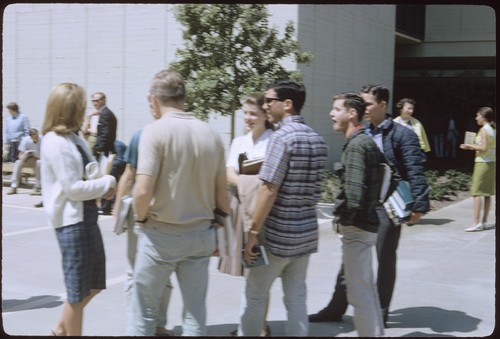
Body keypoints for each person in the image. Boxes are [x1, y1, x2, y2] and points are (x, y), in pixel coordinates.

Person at [309, 83, 430, 326]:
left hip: (387, 204)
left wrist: (420, 204)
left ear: (383, 105)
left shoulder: (402, 134)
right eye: (362, 103)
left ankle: (380, 312)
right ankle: (336, 308)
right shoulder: (361, 132)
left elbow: (415, 169)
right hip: (363, 203)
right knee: (351, 258)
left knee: (384, 257)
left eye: (370, 104)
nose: (365, 108)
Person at [127, 70, 230, 336]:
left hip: (162, 234)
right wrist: (221, 230)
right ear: (185, 97)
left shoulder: (154, 132)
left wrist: (140, 219)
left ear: (154, 100)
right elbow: (222, 194)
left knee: (144, 314)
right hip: (201, 234)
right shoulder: (212, 134)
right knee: (195, 313)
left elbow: (141, 191)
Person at [238, 80, 327, 336]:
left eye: (269, 100)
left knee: (255, 295)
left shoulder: (281, 138)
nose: (265, 105)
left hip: (277, 236)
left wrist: (253, 233)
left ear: (287, 104)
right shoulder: (317, 139)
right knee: (297, 298)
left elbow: (268, 188)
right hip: (306, 235)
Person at [40, 83, 116, 336]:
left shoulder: (73, 139)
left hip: (86, 219)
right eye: (82, 105)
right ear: (70, 109)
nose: (87, 109)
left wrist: (102, 180)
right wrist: (107, 183)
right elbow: (73, 188)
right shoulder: (54, 142)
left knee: (94, 284)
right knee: (77, 292)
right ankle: (63, 332)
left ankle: (58, 331)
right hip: (72, 223)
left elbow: (90, 169)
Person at [112, 105, 174, 336]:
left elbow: (128, 176)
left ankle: (154, 324)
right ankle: (140, 324)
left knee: (153, 273)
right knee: (140, 272)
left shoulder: (164, 135)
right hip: (147, 212)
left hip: (159, 214)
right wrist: (118, 211)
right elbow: (129, 175)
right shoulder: (142, 135)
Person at [329, 92, 385, 336]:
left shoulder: (356, 145)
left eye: (336, 109)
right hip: (367, 226)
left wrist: (343, 223)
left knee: (358, 295)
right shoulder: (367, 141)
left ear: (352, 113)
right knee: (367, 290)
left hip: (357, 230)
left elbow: (353, 197)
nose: (331, 113)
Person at [220, 92, 274, 337]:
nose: (248, 118)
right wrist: (250, 180)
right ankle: (249, 323)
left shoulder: (273, 140)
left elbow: (270, 179)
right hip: (242, 207)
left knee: (259, 269)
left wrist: (244, 179)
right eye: (246, 113)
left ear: (265, 115)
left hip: (264, 210)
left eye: (254, 114)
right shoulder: (239, 142)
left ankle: (259, 326)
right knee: (248, 268)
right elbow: (229, 172)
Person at [460, 107, 496, 232]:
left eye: (478, 116)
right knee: (487, 194)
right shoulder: (492, 129)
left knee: (476, 193)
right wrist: (474, 147)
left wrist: (469, 145)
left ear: (483, 117)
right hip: (491, 163)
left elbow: (483, 148)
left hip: (482, 163)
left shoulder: (484, 130)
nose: (476, 118)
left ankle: (476, 222)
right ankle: (484, 221)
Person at [6, 128, 42, 195]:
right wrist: (24, 157)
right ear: (30, 137)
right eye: (34, 138)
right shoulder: (25, 140)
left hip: (37, 160)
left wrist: (35, 155)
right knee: (18, 162)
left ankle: (37, 187)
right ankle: (14, 187)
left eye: (37, 136)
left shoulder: (42, 139)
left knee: (39, 163)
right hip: (27, 160)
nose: (36, 139)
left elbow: (44, 155)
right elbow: (20, 154)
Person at [99, 139, 128, 215]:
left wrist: (110, 166)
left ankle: (106, 207)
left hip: (120, 167)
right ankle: (107, 205)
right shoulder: (114, 145)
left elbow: (120, 161)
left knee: (109, 183)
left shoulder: (117, 145)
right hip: (120, 167)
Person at [91, 92, 117, 157]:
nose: (94, 103)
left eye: (97, 101)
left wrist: (98, 150)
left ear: (104, 100)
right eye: (93, 101)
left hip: (104, 152)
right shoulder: (104, 113)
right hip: (105, 150)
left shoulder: (105, 114)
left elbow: (105, 135)